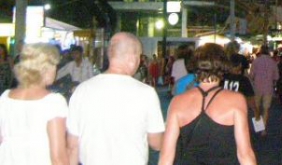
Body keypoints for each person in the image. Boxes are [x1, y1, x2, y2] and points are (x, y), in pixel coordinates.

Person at [67, 32, 165, 165]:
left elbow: (72, 145)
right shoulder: (146, 93)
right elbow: (156, 143)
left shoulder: (81, 90)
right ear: (132, 58)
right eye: (139, 56)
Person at [158, 43, 257, 165]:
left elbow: (166, 156)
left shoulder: (177, 102)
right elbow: (245, 154)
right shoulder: (236, 100)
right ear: (223, 66)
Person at [0, 43, 68, 165]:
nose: (56, 70)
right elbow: (58, 158)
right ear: (45, 69)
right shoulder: (53, 102)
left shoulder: (5, 98)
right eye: (54, 66)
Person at [249, 45, 279, 134]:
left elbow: (251, 75)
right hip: (268, 88)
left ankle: (259, 126)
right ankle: (263, 129)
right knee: (266, 109)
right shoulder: (272, 62)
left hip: (257, 87)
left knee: (257, 108)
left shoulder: (256, 61)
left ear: (261, 51)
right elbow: (276, 77)